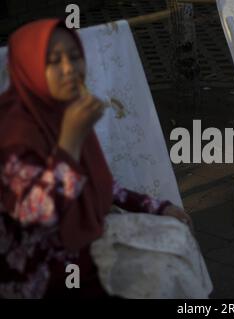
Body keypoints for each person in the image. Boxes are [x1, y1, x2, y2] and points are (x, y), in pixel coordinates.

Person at [0, 19, 193, 298]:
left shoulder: (63, 112)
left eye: (75, 57)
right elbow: (36, 215)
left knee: (175, 250)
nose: (69, 69)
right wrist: (70, 142)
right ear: (26, 68)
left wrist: (157, 206)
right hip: (35, 279)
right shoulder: (12, 132)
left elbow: (99, 183)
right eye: (53, 61)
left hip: (84, 257)